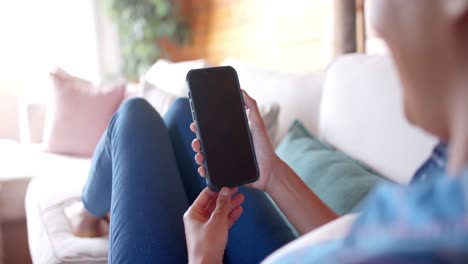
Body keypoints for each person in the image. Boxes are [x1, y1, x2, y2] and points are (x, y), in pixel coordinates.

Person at [68, 0, 468, 263]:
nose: (376, 22)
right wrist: (271, 172)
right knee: (178, 112)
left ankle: (89, 211)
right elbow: (356, 240)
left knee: (134, 115)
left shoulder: (438, 226)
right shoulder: (444, 182)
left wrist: (203, 261)